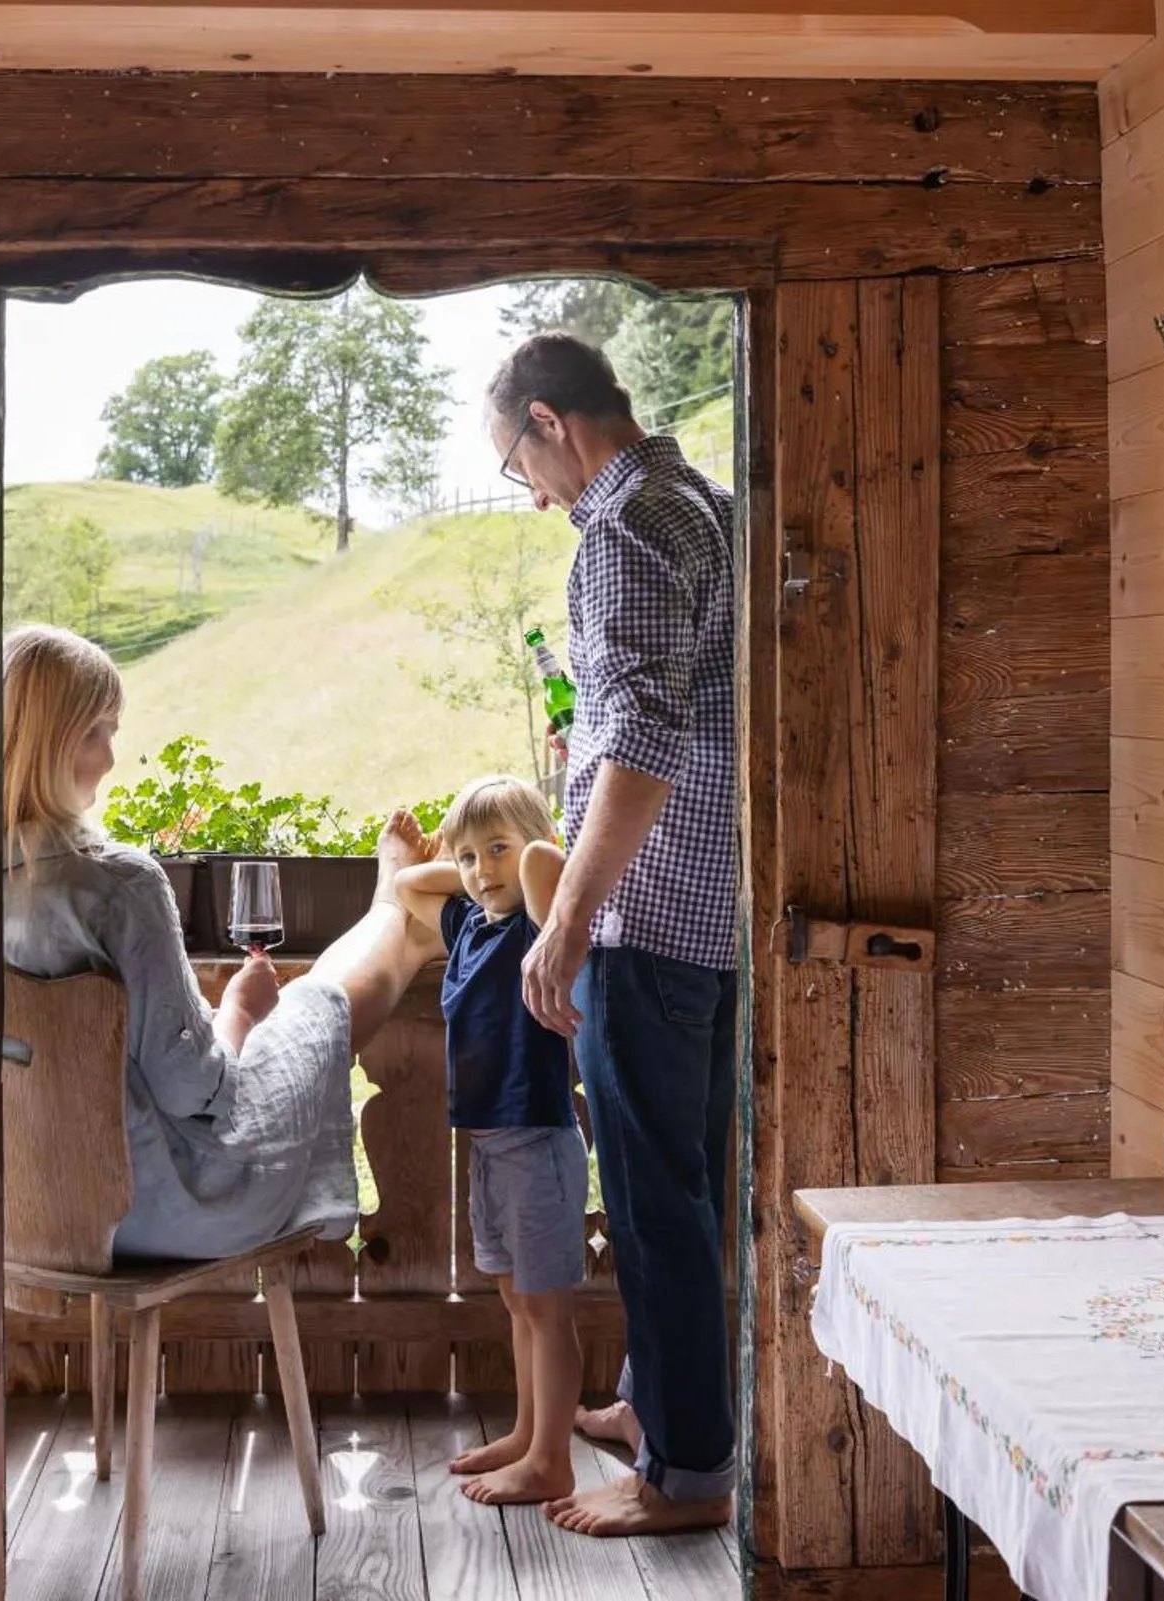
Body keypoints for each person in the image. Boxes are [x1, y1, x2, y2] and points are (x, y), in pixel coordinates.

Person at [486, 334, 739, 1537]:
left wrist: (567, 923)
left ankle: (684, 1475)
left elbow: (643, 738)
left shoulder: (624, 528)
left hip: (647, 911)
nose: (529, 494)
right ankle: (655, 1405)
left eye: (515, 464)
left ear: (551, 423)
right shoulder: (708, 505)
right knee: (682, 1181)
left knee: (650, 1198)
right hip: (715, 905)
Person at [0, 623, 445, 1260]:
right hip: (169, 1204)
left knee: (306, 1006)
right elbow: (192, 1087)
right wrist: (238, 1011)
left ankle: (399, 922)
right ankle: (394, 911)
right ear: (44, 742)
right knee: (314, 1006)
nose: (110, 758)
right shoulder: (120, 885)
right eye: (96, 732)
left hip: (26, 1212)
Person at [390, 776, 586, 1507]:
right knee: (515, 1300)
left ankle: (551, 1459)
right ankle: (526, 1432)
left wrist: (515, 853)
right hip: (489, 1146)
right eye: (469, 857)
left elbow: (544, 862)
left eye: (495, 849)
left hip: (538, 1141)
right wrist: (469, 864)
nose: (481, 870)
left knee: (547, 1308)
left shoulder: (543, 924)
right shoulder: (472, 923)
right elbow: (411, 881)